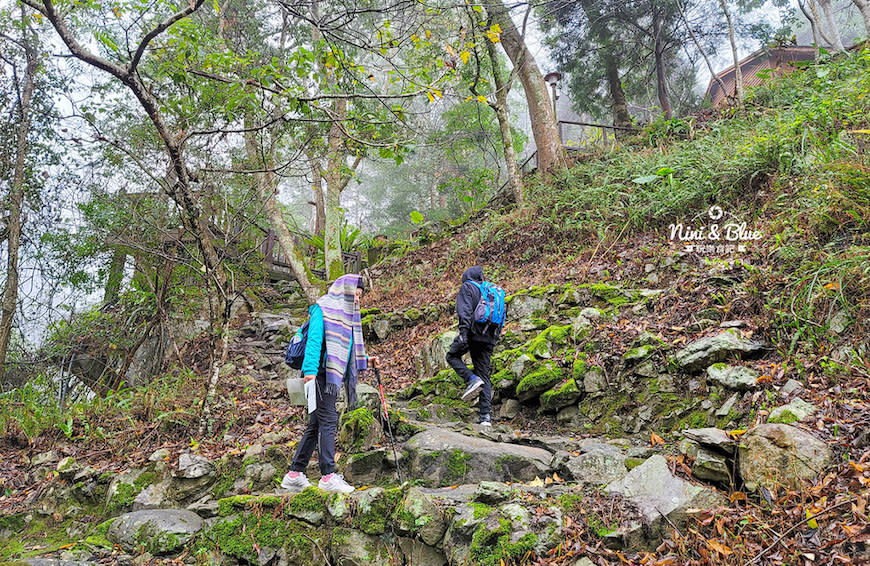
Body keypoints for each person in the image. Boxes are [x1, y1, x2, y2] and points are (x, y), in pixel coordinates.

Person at [280, 274, 378, 493]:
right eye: (356, 295)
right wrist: (310, 372)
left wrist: (365, 360)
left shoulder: (346, 317)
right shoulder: (322, 309)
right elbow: (315, 340)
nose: (358, 300)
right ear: (344, 290)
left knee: (316, 423)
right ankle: (327, 475)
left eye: (360, 296)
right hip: (320, 374)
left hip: (328, 374)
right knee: (329, 418)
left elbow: (347, 346)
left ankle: (294, 474)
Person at [446, 266, 501, 426]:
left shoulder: (467, 287)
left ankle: (471, 379)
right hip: (489, 337)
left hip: (472, 334)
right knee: (484, 374)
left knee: (452, 356)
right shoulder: (490, 291)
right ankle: (485, 417)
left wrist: (463, 333)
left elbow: (465, 311)